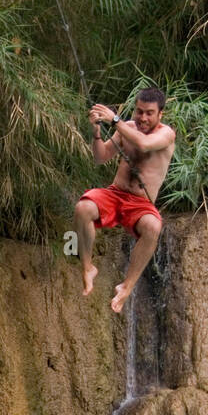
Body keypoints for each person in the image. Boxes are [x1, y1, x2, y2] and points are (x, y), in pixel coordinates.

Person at [74, 87, 176, 314]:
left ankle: (126, 286)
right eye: (139, 111)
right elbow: (101, 157)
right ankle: (88, 267)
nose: (143, 118)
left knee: (153, 226)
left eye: (149, 113)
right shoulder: (127, 128)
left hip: (140, 204)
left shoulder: (166, 134)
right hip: (114, 194)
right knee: (83, 208)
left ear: (160, 115)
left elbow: (144, 144)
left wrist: (114, 120)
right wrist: (97, 132)